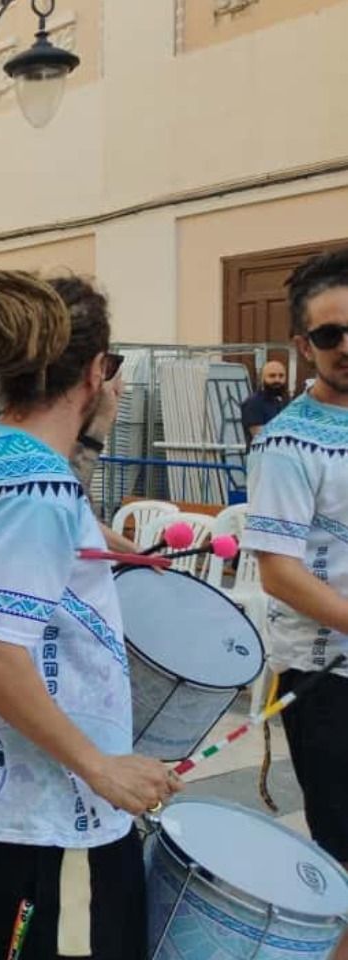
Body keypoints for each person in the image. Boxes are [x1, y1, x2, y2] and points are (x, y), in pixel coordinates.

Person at [0, 271, 174, 960]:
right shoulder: (35, 488)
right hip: (44, 795)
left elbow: (42, 522)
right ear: (97, 370)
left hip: (30, 780)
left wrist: (99, 530)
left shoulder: (1, 451)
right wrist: (102, 768)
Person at [244, 250, 348, 887]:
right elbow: (279, 572)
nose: (347, 346)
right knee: (343, 856)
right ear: (304, 346)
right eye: (331, 335)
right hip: (325, 679)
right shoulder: (287, 442)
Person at [240, 358, 290, 447]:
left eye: (281, 376)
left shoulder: (286, 401)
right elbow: (260, 436)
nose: (277, 380)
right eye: (272, 376)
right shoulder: (253, 403)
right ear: (262, 379)